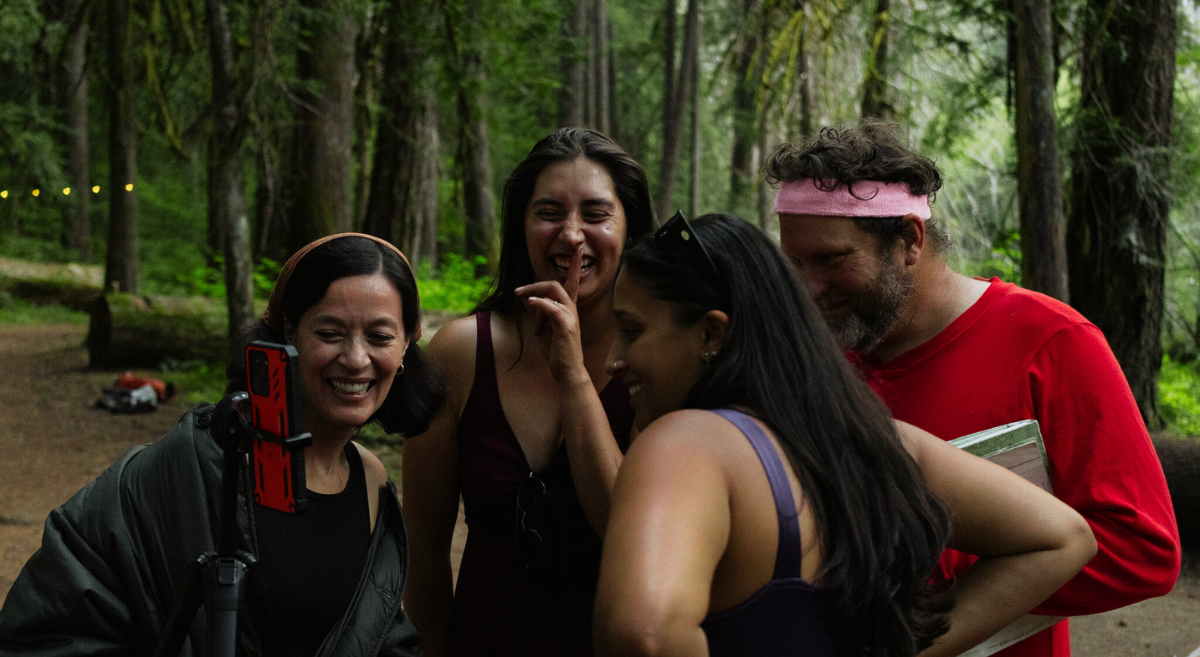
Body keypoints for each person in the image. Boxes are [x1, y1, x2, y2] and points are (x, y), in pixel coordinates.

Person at [593, 213, 1097, 657]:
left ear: (711, 334)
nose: (615, 359)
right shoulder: (879, 442)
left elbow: (647, 636)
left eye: (632, 330)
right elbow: (1061, 538)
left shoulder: (684, 445)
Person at [766, 121, 1181, 657]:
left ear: (909, 240)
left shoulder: (1051, 342)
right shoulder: (810, 355)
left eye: (832, 260)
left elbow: (1142, 549)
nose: (808, 288)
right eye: (793, 264)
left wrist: (956, 587)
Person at [0, 233, 444, 656]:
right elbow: (48, 619)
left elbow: (375, 631)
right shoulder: (194, 461)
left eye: (380, 337)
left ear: (407, 343)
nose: (355, 357)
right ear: (288, 332)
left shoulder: (371, 480)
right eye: (329, 333)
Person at [402, 128, 656, 656]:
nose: (571, 235)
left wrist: (574, 376)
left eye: (595, 213)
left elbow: (625, 531)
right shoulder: (459, 352)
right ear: (520, 228)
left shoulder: (654, 360)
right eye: (548, 212)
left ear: (629, 229)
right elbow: (423, 554)